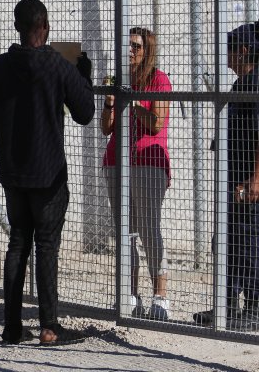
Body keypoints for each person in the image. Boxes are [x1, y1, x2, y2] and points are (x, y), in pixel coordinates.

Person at [0, 0, 94, 345]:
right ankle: (50, 326)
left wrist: (14, 114)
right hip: (49, 173)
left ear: (17, 27)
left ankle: (12, 326)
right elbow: (85, 112)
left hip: (13, 172)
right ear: (46, 28)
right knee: (46, 245)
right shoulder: (57, 65)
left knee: (18, 242)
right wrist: (82, 76)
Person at [101, 27, 171, 321]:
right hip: (116, 160)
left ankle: (161, 295)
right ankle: (130, 293)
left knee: (148, 228)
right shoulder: (117, 79)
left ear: (146, 51)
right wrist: (110, 101)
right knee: (124, 230)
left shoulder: (158, 79)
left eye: (136, 46)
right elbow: (106, 127)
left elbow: (157, 124)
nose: (130, 50)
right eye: (127, 45)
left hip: (149, 161)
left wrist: (132, 103)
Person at [194, 22, 259, 327]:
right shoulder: (239, 84)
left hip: (248, 180)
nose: (226, 56)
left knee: (248, 245)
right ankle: (228, 306)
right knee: (226, 242)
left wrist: (256, 179)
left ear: (244, 51)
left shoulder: (256, 82)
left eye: (230, 50)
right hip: (232, 178)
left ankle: (255, 309)